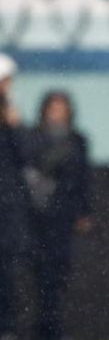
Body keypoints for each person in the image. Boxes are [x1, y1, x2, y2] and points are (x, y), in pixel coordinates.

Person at [22, 91, 92, 340]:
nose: (57, 112)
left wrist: (84, 211)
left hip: (64, 217)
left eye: (62, 107)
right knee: (40, 275)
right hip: (38, 219)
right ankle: (43, 329)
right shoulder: (34, 137)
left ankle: (53, 328)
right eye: (54, 107)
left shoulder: (78, 139)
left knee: (60, 273)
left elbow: (83, 178)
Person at [0, 91, 27, 340]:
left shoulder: (10, 132)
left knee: (5, 276)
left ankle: (6, 328)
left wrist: (15, 125)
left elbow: (28, 155)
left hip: (6, 218)